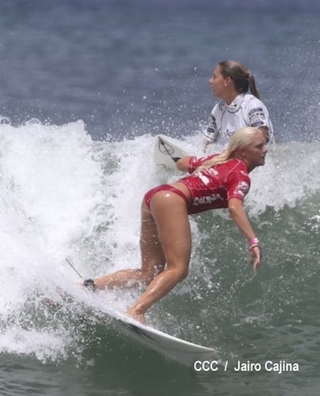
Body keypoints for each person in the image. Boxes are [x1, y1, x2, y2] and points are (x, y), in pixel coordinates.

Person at [84, 127, 267, 324]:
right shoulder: (240, 174)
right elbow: (234, 206)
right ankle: (136, 311)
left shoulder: (217, 159)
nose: (265, 150)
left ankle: (89, 286)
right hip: (172, 200)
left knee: (148, 273)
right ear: (243, 152)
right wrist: (253, 241)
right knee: (178, 269)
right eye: (259, 146)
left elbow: (182, 163)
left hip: (155, 196)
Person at [203, 60, 274, 151]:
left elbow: (261, 138)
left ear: (227, 81)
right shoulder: (218, 110)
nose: (210, 81)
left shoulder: (252, 105)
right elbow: (206, 146)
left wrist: (227, 155)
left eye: (214, 77)